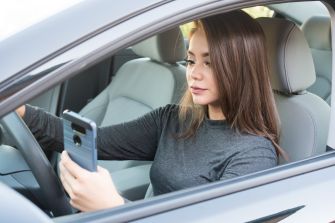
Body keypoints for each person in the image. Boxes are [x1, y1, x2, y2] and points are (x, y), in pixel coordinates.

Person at [16, 10, 285, 212]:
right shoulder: (172, 119)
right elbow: (96, 141)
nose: (194, 74)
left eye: (210, 63)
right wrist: (20, 109)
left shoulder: (253, 155)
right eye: (191, 61)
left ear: (240, 68)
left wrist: (113, 207)